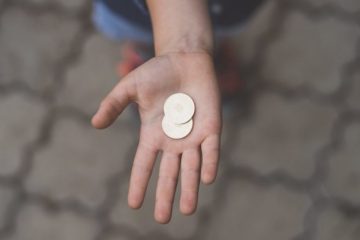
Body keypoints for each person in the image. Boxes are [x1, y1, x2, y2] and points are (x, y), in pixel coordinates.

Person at [91, 0, 264, 224]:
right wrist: (181, 42)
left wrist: (190, 45)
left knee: (220, 31)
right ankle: (147, 57)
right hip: (131, 10)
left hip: (231, 8)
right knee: (139, 33)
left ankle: (212, 55)